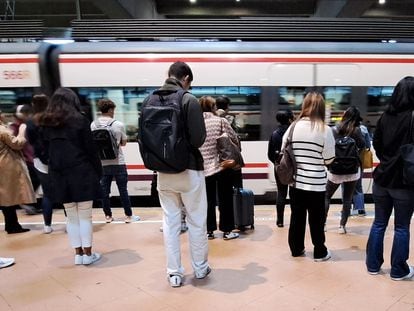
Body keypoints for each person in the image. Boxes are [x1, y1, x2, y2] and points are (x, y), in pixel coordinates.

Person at [143, 61, 210, 287]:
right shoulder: (188, 99)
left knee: (170, 222)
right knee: (196, 221)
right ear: (187, 79)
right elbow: (199, 139)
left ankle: (174, 273)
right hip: (189, 169)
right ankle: (200, 269)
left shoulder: (148, 100)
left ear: (168, 75)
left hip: (163, 172)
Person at [40, 87, 102, 266]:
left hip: (59, 174)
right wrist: (98, 172)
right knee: (85, 216)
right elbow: (91, 151)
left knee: (71, 217)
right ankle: (88, 254)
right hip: (81, 172)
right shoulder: (80, 120)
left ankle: (78, 254)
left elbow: (43, 150)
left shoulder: (47, 123)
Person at [366, 76, 414, 281]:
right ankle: (398, 270)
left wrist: (388, 159)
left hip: (382, 179)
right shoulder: (413, 116)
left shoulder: (385, 116)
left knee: (379, 223)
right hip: (404, 182)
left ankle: (373, 266)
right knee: (401, 227)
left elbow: (376, 144)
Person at [283, 92, 335, 261]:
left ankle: (296, 249)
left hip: (297, 183)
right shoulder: (325, 130)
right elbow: (329, 159)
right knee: (317, 219)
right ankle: (319, 251)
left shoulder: (292, 127)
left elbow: (285, 150)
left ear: (304, 106)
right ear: (321, 108)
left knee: (297, 217)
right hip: (317, 184)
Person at [91, 99, 140, 223]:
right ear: (111, 109)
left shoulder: (93, 125)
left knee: (104, 191)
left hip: (102, 164)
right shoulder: (118, 124)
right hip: (118, 162)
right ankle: (129, 216)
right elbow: (123, 143)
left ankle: (108, 216)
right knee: (123, 190)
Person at [199, 96, 240, 241]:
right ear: (213, 107)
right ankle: (227, 231)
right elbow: (233, 138)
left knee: (207, 200)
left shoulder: (196, 123)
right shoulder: (221, 121)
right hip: (222, 166)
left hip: (203, 168)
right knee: (225, 199)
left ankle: (209, 231)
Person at [325, 106, 365, 234]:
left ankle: (323, 224)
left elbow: (328, 147)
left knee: (326, 196)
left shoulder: (334, 129)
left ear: (344, 115)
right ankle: (342, 226)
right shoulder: (357, 130)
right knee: (347, 199)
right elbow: (363, 146)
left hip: (336, 169)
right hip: (352, 170)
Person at [0, 109, 34, 234]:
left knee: (5, 197)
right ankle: (12, 226)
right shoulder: (2, 130)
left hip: (2, 166)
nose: (3, 115)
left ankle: (12, 224)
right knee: (8, 197)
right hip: (7, 166)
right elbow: (17, 144)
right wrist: (22, 130)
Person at [26, 94, 55, 233]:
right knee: (64, 192)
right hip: (56, 159)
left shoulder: (30, 122)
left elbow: (31, 142)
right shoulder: (53, 118)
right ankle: (69, 224)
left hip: (39, 161)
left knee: (47, 194)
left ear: (33, 104)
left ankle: (47, 226)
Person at [10, 104, 41, 215]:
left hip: (31, 156)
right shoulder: (17, 126)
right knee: (35, 179)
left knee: (35, 180)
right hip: (27, 157)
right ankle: (26, 202)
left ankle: (31, 203)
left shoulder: (26, 124)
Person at [267, 109, 295, 227]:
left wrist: (277, 163)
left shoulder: (274, 134)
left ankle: (279, 221)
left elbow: (269, 154)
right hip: (294, 168)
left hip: (280, 168)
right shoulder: (294, 133)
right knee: (294, 193)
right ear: (289, 119)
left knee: (281, 193)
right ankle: (295, 219)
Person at [352, 122, 372, 216]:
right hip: (359, 160)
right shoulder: (363, 128)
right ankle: (360, 210)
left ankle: (346, 210)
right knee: (358, 186)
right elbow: (368, 145)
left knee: (345, 185)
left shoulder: (343, 127)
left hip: (345, 160)